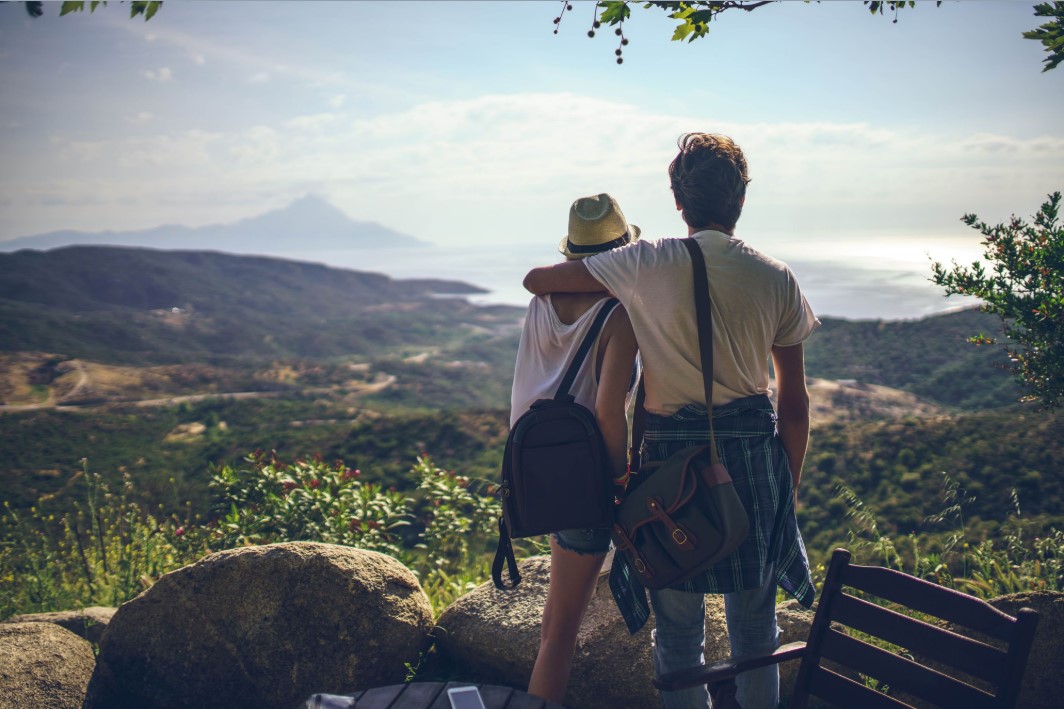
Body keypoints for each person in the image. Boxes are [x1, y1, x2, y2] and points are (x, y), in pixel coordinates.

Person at [523, 133, 819, 709]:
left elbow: (539, 280)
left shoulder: (645, 262)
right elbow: (794, 403)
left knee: (679, 637)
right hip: (756, 466)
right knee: (757, 635)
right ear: (741, 199)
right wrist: (787, 487)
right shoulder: (776, 276)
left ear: (679, 201)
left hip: (669, 472)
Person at [516, 193, 640, 704]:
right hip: (587, 478)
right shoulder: (620, 315)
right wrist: (620, 480)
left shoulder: (541, 301)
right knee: (560, 634)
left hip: (539, 469)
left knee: (555, 623)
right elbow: (610, 413)